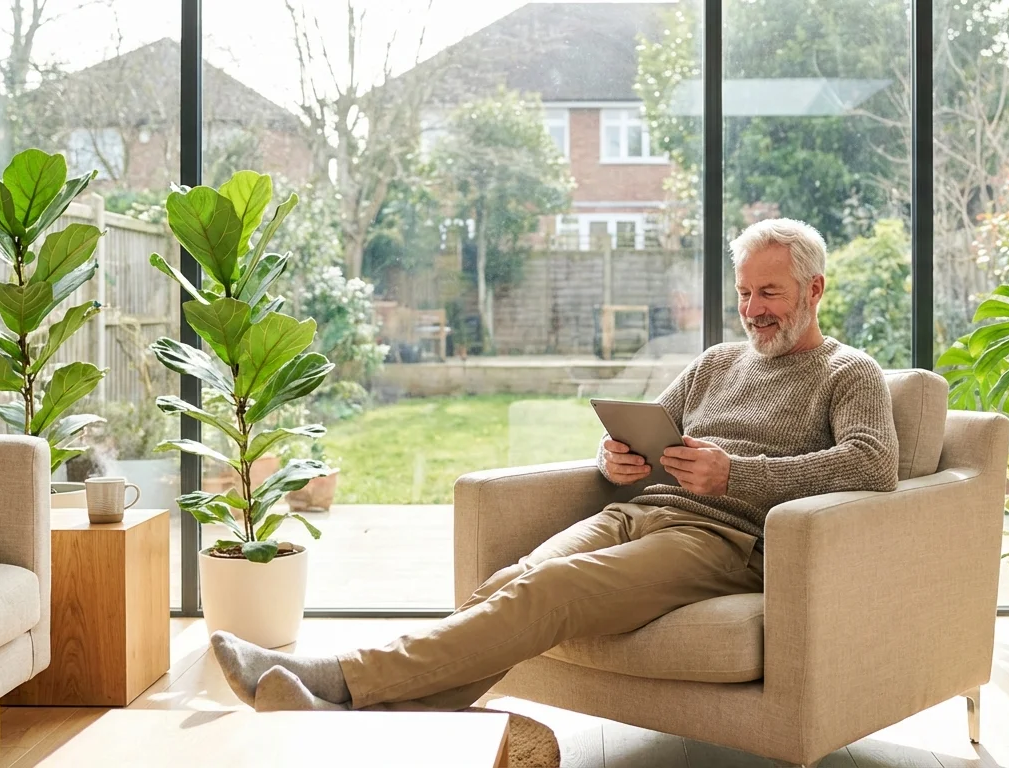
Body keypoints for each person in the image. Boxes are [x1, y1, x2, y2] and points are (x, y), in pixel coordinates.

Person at [211, 218, 901, 712]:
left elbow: (872, 467)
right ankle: (351, 707)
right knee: (513, 580)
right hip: (638, 513)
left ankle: (332, 674)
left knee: (550, 592)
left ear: (815, 291)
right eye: (746, 293)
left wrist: (736, 476)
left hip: (722, 541)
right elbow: (643, 437)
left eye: (770, 294)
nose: (752, 310)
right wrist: (618, 457)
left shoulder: (848, 373)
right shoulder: (717, 362)